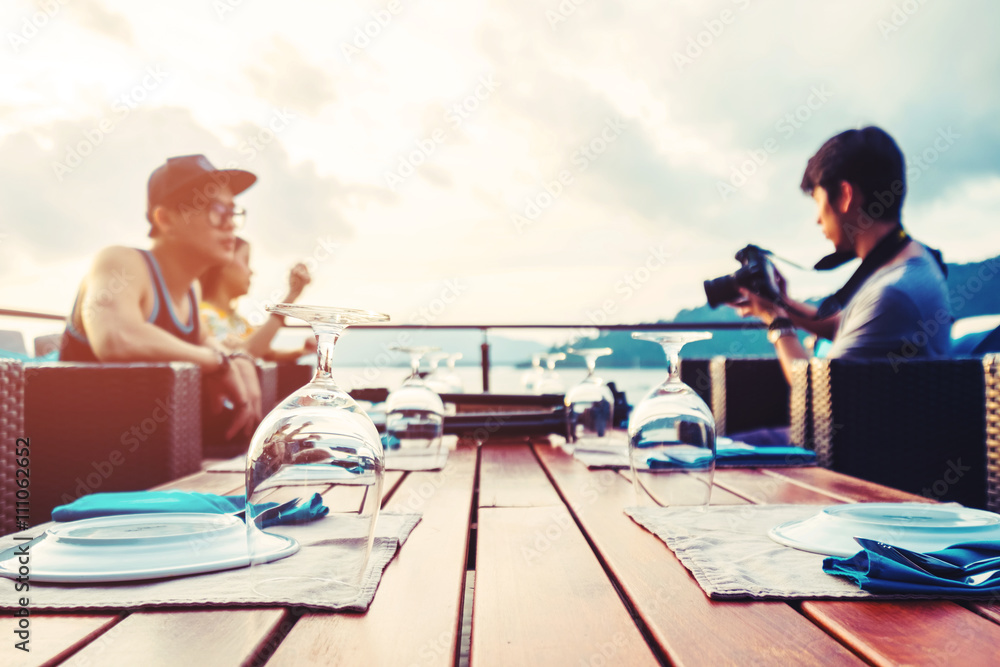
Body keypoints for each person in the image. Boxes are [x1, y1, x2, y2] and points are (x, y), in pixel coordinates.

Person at [60, 154, 263, 440]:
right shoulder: (123, 262)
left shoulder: (191, 289)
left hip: (147, 454)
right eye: (218, 210)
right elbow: (117, 338)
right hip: (73, 448)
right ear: (165, 218)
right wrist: (219, 363)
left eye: (234, 212)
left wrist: (237, 358)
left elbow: (208, 343)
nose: (230, 224)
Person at [734, 126, 951, 384]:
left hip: (867, 423)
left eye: (817, 201)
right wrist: (781, 302)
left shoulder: (892, 295)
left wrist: (777, 321)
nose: (817, 220)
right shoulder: (912, 261)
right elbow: (849, 324)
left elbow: (817, 393)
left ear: (845, 196)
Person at [199, 237, 315, 362]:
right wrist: (291, 297)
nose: (251, 272)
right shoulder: (203, 315)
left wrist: (302, 351)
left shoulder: (238, 320)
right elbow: (249, 351)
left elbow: (266, 352)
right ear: (223, 262)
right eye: (246, 261)